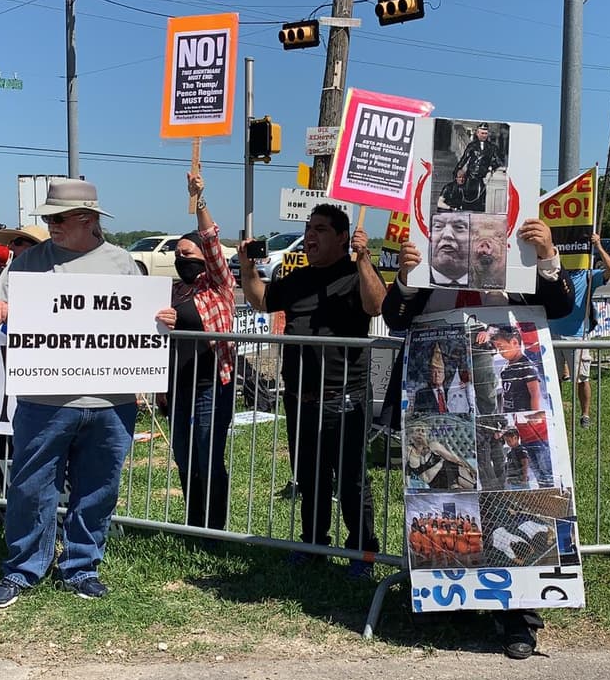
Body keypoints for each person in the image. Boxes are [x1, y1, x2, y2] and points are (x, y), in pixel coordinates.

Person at [382, 217, 574, 660]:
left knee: (508, 492)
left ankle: (517, 613)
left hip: (502, 405)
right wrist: (406, 279)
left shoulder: (517, 261)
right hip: (440, 405)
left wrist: (547, 255)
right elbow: (393, 316)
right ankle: (446, 598)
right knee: (445, 494)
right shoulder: (432, 256)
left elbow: (561, 305)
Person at [0, 178, 141, 608]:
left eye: (59, 218)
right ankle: (22, 569)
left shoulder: (123, 263)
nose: (51, 224)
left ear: (87, 219)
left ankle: (82, 567)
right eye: (48, 217)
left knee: (99, 489)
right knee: (31, 488)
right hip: (43, 400)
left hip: (110, 402)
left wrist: (163, 319)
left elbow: (143, 323)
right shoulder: (28, 264)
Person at [238, 204, 384, 579]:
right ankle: (314, 544)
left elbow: (377, 305)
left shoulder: (355, 275)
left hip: (345, 398)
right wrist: (248, 268)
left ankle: (363, 550)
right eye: (308, 229)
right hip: (300, 399)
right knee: (309, 477)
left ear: (342, 236)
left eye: (320, 229)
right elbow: (261, 300)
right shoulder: (298, 278)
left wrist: (364, 260)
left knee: (352, 481)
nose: (310, 236)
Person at [153, 173, 236, 532]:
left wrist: (199, 199)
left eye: (187, 253)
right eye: (177, 255)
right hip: (177, 387)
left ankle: (213, 528)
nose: (181, 258)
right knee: (184, 458)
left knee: (208, 456)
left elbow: (212, 240)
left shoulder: (218, 285)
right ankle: (193, 522)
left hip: (210, 386)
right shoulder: (171, 291)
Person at [549, 232, 610, 428]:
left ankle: (585, 415)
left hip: (577, 336)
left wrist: (599, 246)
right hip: (553, 332)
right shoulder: (555, 273)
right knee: (553, 378)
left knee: (581, 378)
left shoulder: (588, 275)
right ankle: (555, 414)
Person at [405, 424, 477, 491]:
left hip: (454, 473)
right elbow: (426, 478)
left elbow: (455, 460)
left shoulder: (433, 446)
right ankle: (456, 486)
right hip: (438, 483)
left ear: (426, 435)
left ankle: (464, 485)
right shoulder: (409, 451)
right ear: (411, 434)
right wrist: (440, 463)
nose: (420, 433)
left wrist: (471, 470)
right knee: (446, 463)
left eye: (423, 431)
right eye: (418, 430)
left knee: (450, 464)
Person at [454, 123, 505, 210]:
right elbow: (464, 159)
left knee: (480, 200)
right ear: (477, 133)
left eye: (486, 133)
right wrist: (458, 169)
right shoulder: (472, 146)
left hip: (483, 177)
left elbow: (499, 161)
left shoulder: (492, 147)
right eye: (482, 133)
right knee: (467, 198)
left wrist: (492, 167)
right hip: (471, 176)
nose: (484, 135)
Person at [429, 211, 470, 287]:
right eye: (438, 226)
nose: (447, 235)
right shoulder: (415, 276)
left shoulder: (486, 282)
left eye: (459, 227)